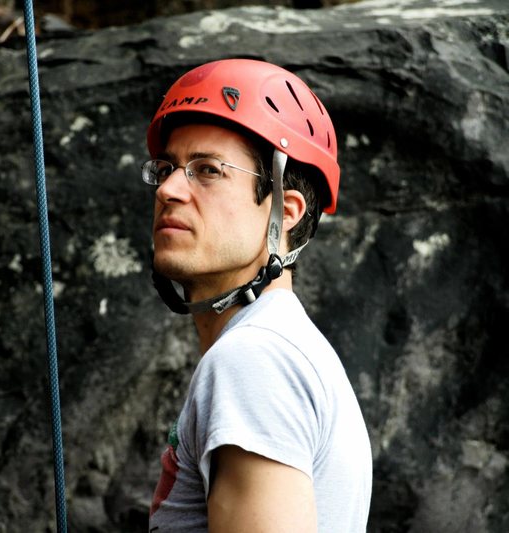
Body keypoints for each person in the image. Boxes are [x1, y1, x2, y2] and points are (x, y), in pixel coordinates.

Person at [144, 58, 372, 532]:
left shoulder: (253, 362)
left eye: (207, 170)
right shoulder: (281, 350)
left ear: (285, 212)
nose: (167, 189)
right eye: (166, 168)